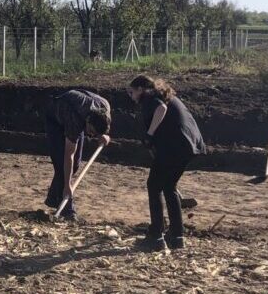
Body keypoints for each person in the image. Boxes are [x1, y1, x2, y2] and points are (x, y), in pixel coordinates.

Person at [127, 75, 205, 251]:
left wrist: (149, 135)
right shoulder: (164, 95)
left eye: (131, 92)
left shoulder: (150, 97)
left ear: (140, 89)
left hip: (174, 146)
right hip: (189, 145)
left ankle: (156, 236)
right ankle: (177, 236)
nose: (131, 97)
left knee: (154, 185)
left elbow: (161, 109)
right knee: (169, 187)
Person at [44, 89, 111, 220]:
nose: (91, 135)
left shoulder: (105, 107)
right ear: (88, 121)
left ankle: (53, 198)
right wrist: (68, 185)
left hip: (79, 114)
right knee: (61, 164)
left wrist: (103, 136)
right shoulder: (73, 120)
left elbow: (103, 127)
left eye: (94, 134)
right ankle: (67, 209)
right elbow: (69, 155)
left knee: (75, 165)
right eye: (91, 131)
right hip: (55, 119)